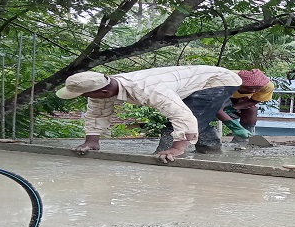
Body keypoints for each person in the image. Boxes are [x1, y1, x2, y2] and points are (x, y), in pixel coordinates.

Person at [56, 65, 244, 163]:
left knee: (188, 117)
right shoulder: (99, 91)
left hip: (217, 79)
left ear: (104, 91)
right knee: (196, 116)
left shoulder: (148, 89)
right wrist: (92, 141)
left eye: (85, 95)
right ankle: (210, 150)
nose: (86, 98)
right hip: (189, 82)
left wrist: (176, 147)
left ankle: (176, 153)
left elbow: (181, 116)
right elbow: (97, 113)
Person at [215, 69, 274, 141]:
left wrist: (233, 108)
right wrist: (235, 127)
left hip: (237, 99)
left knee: (252, 109)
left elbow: (254, 100)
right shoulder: (224, 81)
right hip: (211, 98)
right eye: (249, 88)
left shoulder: (267, 86)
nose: (253, 91)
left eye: (257, 88)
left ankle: (242, 139)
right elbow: (213, 106)